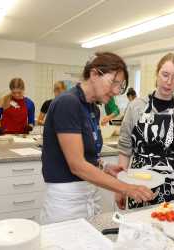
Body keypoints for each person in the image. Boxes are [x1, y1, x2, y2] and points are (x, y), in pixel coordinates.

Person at [40, 52, 154, 224]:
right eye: (114, 83)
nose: (116, 91)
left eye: (120, 86)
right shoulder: (67, 103)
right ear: (94, 74)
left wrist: (104, 166)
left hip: (88, 193)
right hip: (66, 201)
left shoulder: (93, 109)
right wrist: (127, 188)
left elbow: (87, 153)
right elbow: (77, 165)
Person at [117, 53, 174, 209]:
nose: (168, 82)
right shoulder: (137, 107)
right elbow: (125, 149)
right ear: (157, 73)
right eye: (165, 75)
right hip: (139, 187)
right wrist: (119, 188)